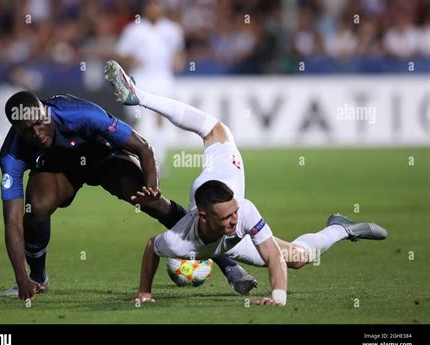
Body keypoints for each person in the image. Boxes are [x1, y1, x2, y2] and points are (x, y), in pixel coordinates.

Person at [104, 60, 388, 306]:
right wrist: (144, 293)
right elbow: (152, 246)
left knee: (214, 129)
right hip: (216, 233)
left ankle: (139, 95)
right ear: (205, 217)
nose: (234, 217)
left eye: (234, 214)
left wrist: (277, 298)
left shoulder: (242, 211)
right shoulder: (179, 243)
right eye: (229, 216)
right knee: (299, 258)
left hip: (223, 175)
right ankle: (237, 265)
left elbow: (273, 256)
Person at [0, 91, 256, 301]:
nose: (38, 132)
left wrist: (152, 188)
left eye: (40, 122)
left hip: (104, 158)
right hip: (59, 171)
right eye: (27, 131)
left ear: (45, 111)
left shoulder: (80, 114)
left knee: (155, 204)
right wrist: (21, 277)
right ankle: (37, 278)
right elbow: (12, 222)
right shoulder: (11, 154)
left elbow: (143, 147)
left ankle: (228, 264)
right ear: (16, 130)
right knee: (36, 208)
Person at [116, 0, 185, 171]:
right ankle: (135, 158)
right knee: (137, 119)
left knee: (160, 118)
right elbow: (121, 54)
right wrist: (132, 61)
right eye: (152, 5)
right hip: (140, 79)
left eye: (158, 5)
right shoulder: (134, 30)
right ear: (146, 9)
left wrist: (179, 61)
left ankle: (158, 160)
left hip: (163, 79)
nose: (155, 9)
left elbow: (178, 53)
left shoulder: (173, 30)